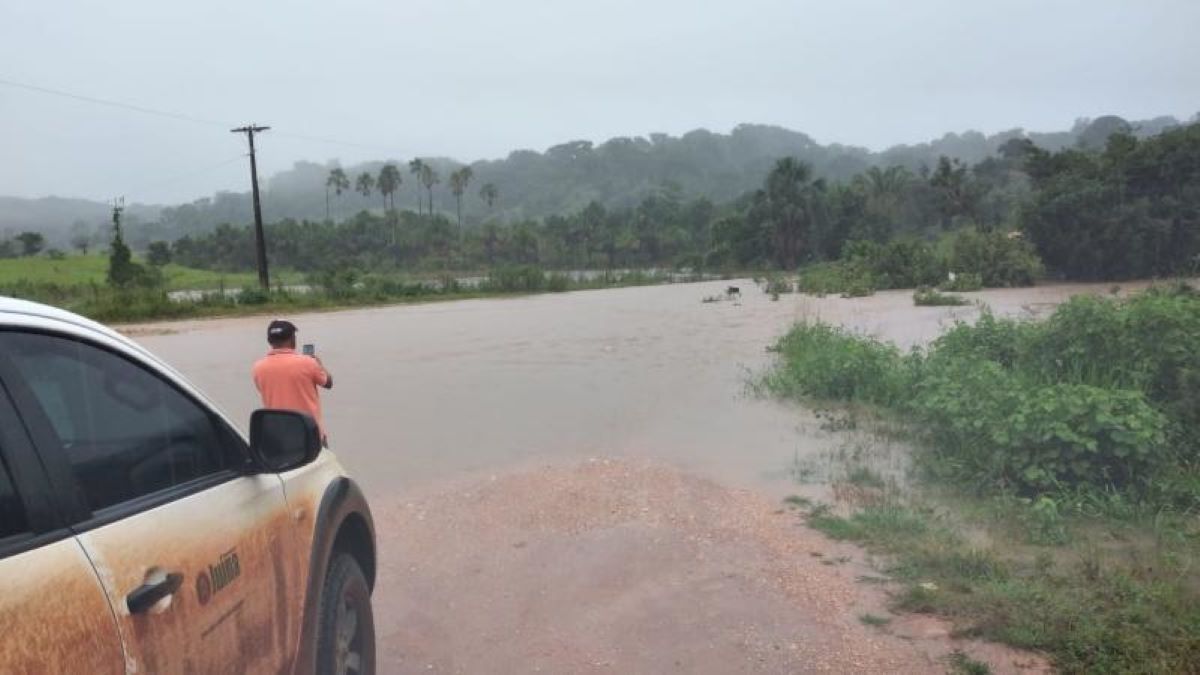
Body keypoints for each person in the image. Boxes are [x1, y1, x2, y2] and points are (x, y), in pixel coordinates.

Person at [252, 319, 333, 445]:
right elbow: (328, 383)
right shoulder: (308, 363)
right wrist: (319, 365)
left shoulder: (258, 367)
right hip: (310, 433)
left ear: (269, 341)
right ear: (292, 338)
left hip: (278, 437)